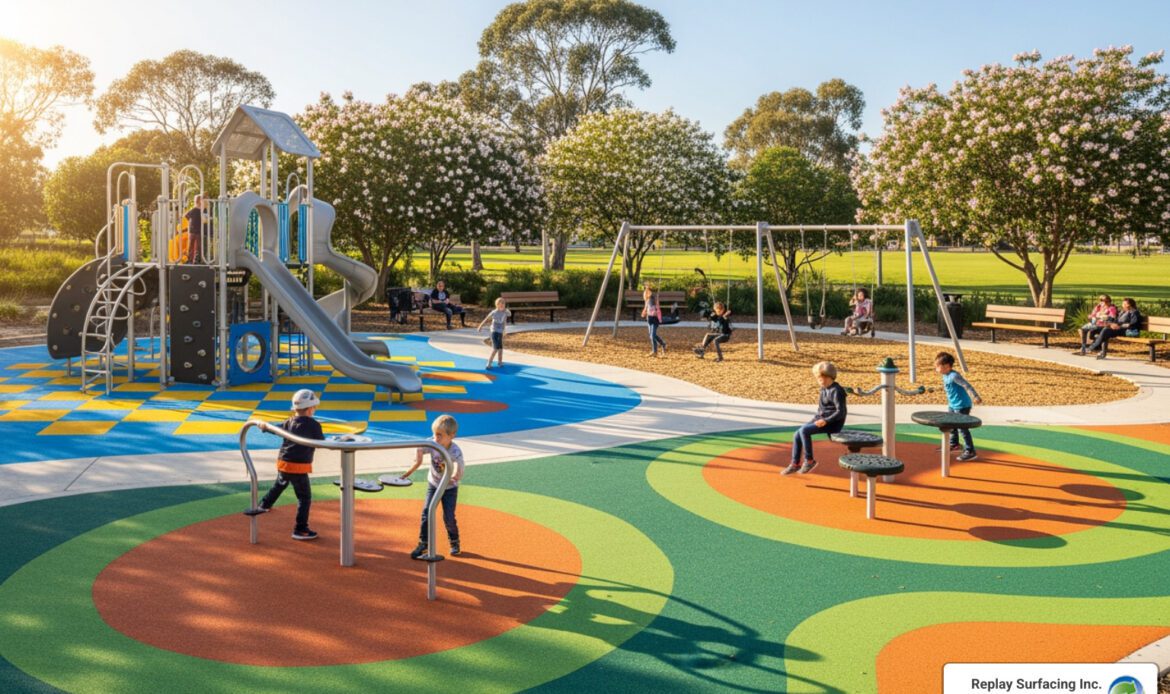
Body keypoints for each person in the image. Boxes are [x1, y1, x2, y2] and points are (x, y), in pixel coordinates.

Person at [251, 389, 325, 540]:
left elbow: (274, 429)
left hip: (284, 462)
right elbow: (321, 442)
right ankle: (300, 529)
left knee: (280, 483)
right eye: (314, 407)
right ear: (310, 409)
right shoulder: (314, 425)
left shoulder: (289, 421)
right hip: (299, 467)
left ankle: (264, 504)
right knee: (304, 497)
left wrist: (264, 425)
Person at [402, 414, 465, 559]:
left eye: (439, 435)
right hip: (434, 483)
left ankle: (454, 541)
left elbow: (460, 466)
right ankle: (424, 543)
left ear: (452, 436)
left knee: (449, 517)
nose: (435, 438)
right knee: (427, 512)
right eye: (434, 434)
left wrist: (456, 476)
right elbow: (420, 449)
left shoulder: (455, 451)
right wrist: (411, 468)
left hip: (449, 488)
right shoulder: (433, 444)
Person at [782, 361, 847, 475]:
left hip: (833, 423)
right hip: (822, 419)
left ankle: (809, 460)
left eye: (821, 378)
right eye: (818, 378)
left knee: (804, 430)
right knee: (797, 433)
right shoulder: (824, 389)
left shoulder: (837, 391)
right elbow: (821, 409)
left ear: (829, 377)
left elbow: (841, 412)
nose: (819, 380)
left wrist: (825, 420)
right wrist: (816, 419)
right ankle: (795, 464)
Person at [934, 352, 982, 461]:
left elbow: (966, 385)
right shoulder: (945, 375)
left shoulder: (954, 376)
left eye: (937, 366)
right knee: (951, 425)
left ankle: (970, 450)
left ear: (946, 366)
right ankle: (954, 444)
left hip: (962, 406)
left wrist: (975, 396)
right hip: (952, 405)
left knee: (962, 428)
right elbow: (950, 388)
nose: (936, 368)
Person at [477, 297, 511, 369]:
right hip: (494, 331)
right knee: (495, 348)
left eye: (503, 303)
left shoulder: (505, 312)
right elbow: (486, 318)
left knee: (500, 348)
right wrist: (480, 326)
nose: (502, 305)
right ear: (497, 305)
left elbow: (506, 319)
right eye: (500, 304)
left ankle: (500, 362)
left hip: (500, 332)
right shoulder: (494, 312)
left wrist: (504, 330)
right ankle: (489, 363)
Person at [642, 285, 668, 357]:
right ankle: (663, 344)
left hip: (655, 319)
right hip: (649, 319)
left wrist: (658, 315)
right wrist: (644, 312)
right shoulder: (647, 300)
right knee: (652, 335)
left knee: (652, 336)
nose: (646, 293)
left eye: (647, 292)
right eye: (645, 292)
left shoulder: (654, 299)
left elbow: (657, 309)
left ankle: (654, 351)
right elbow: (646, 308)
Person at [182, 195, 208, 263]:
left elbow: (205, 220)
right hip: (193, 230)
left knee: (198, 246)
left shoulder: (203, 210)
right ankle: (191, 259)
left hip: (198, 230)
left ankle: (197, 259)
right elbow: (186, 216)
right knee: (192, 246)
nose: (197, 202)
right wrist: (190, 223)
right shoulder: (194, 210)